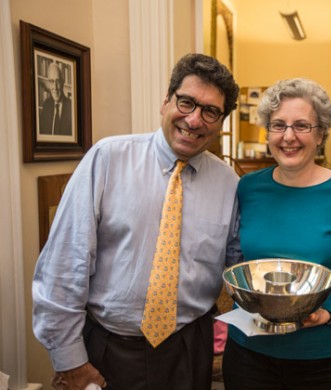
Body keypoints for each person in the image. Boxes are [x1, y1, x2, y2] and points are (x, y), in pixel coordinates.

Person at [32, 53, 242, 390]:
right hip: (108, 347)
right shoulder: (107, 159)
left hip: (189, 348)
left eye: (210, 111)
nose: (194, 119)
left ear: (220, 122)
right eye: (186, 102)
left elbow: (239, 269)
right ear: (165, 102)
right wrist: (70, 361)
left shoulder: (229, 183)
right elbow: (64, 265)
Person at [221, 78, 331, 390]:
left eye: (302, 126)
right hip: (250, 355)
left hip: (329, 359)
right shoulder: (248, 188)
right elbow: (235, 261)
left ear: (320, 133)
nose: (288, 137)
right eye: (278, 125)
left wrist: (329, 312)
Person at [39, 62, 73, 135]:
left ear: (62, 82)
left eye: (57, 81)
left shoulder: (71, 106)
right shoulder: (46, 105)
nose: (55, 87)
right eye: (51, 81)